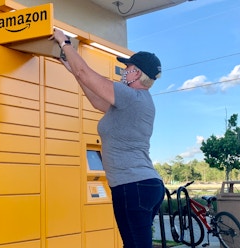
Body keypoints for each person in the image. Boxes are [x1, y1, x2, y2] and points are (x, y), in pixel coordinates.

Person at [50, 29, 165, 248]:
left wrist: (65, 43)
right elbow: (96, 99)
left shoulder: (130, 96)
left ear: (137, 73)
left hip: (133, 185)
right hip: (144, 185)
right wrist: (70, 66)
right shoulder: (137, 101)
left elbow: (87, 74)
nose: (123, 70)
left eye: (127, 67)